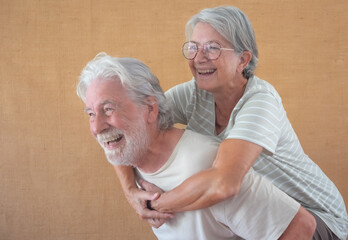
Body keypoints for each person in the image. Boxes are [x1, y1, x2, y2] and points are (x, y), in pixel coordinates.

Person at [114, 6, 348, 240]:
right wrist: (131, 192)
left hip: (315, 218)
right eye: (194, 47)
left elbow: (225, 184)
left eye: (213, 48)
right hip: (258, 219)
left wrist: (156, 204)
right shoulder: (193, 94)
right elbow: (130, 128)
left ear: (243, 60)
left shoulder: (261, 101)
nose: (199, 58)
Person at [77, 53, 316, 239]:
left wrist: (156, 203)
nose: (96, 127)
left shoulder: (204, 162)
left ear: (150, 109)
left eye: (108, 109)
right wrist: (130, 191)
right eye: (90, 113)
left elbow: (301, 227)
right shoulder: (133, 150)